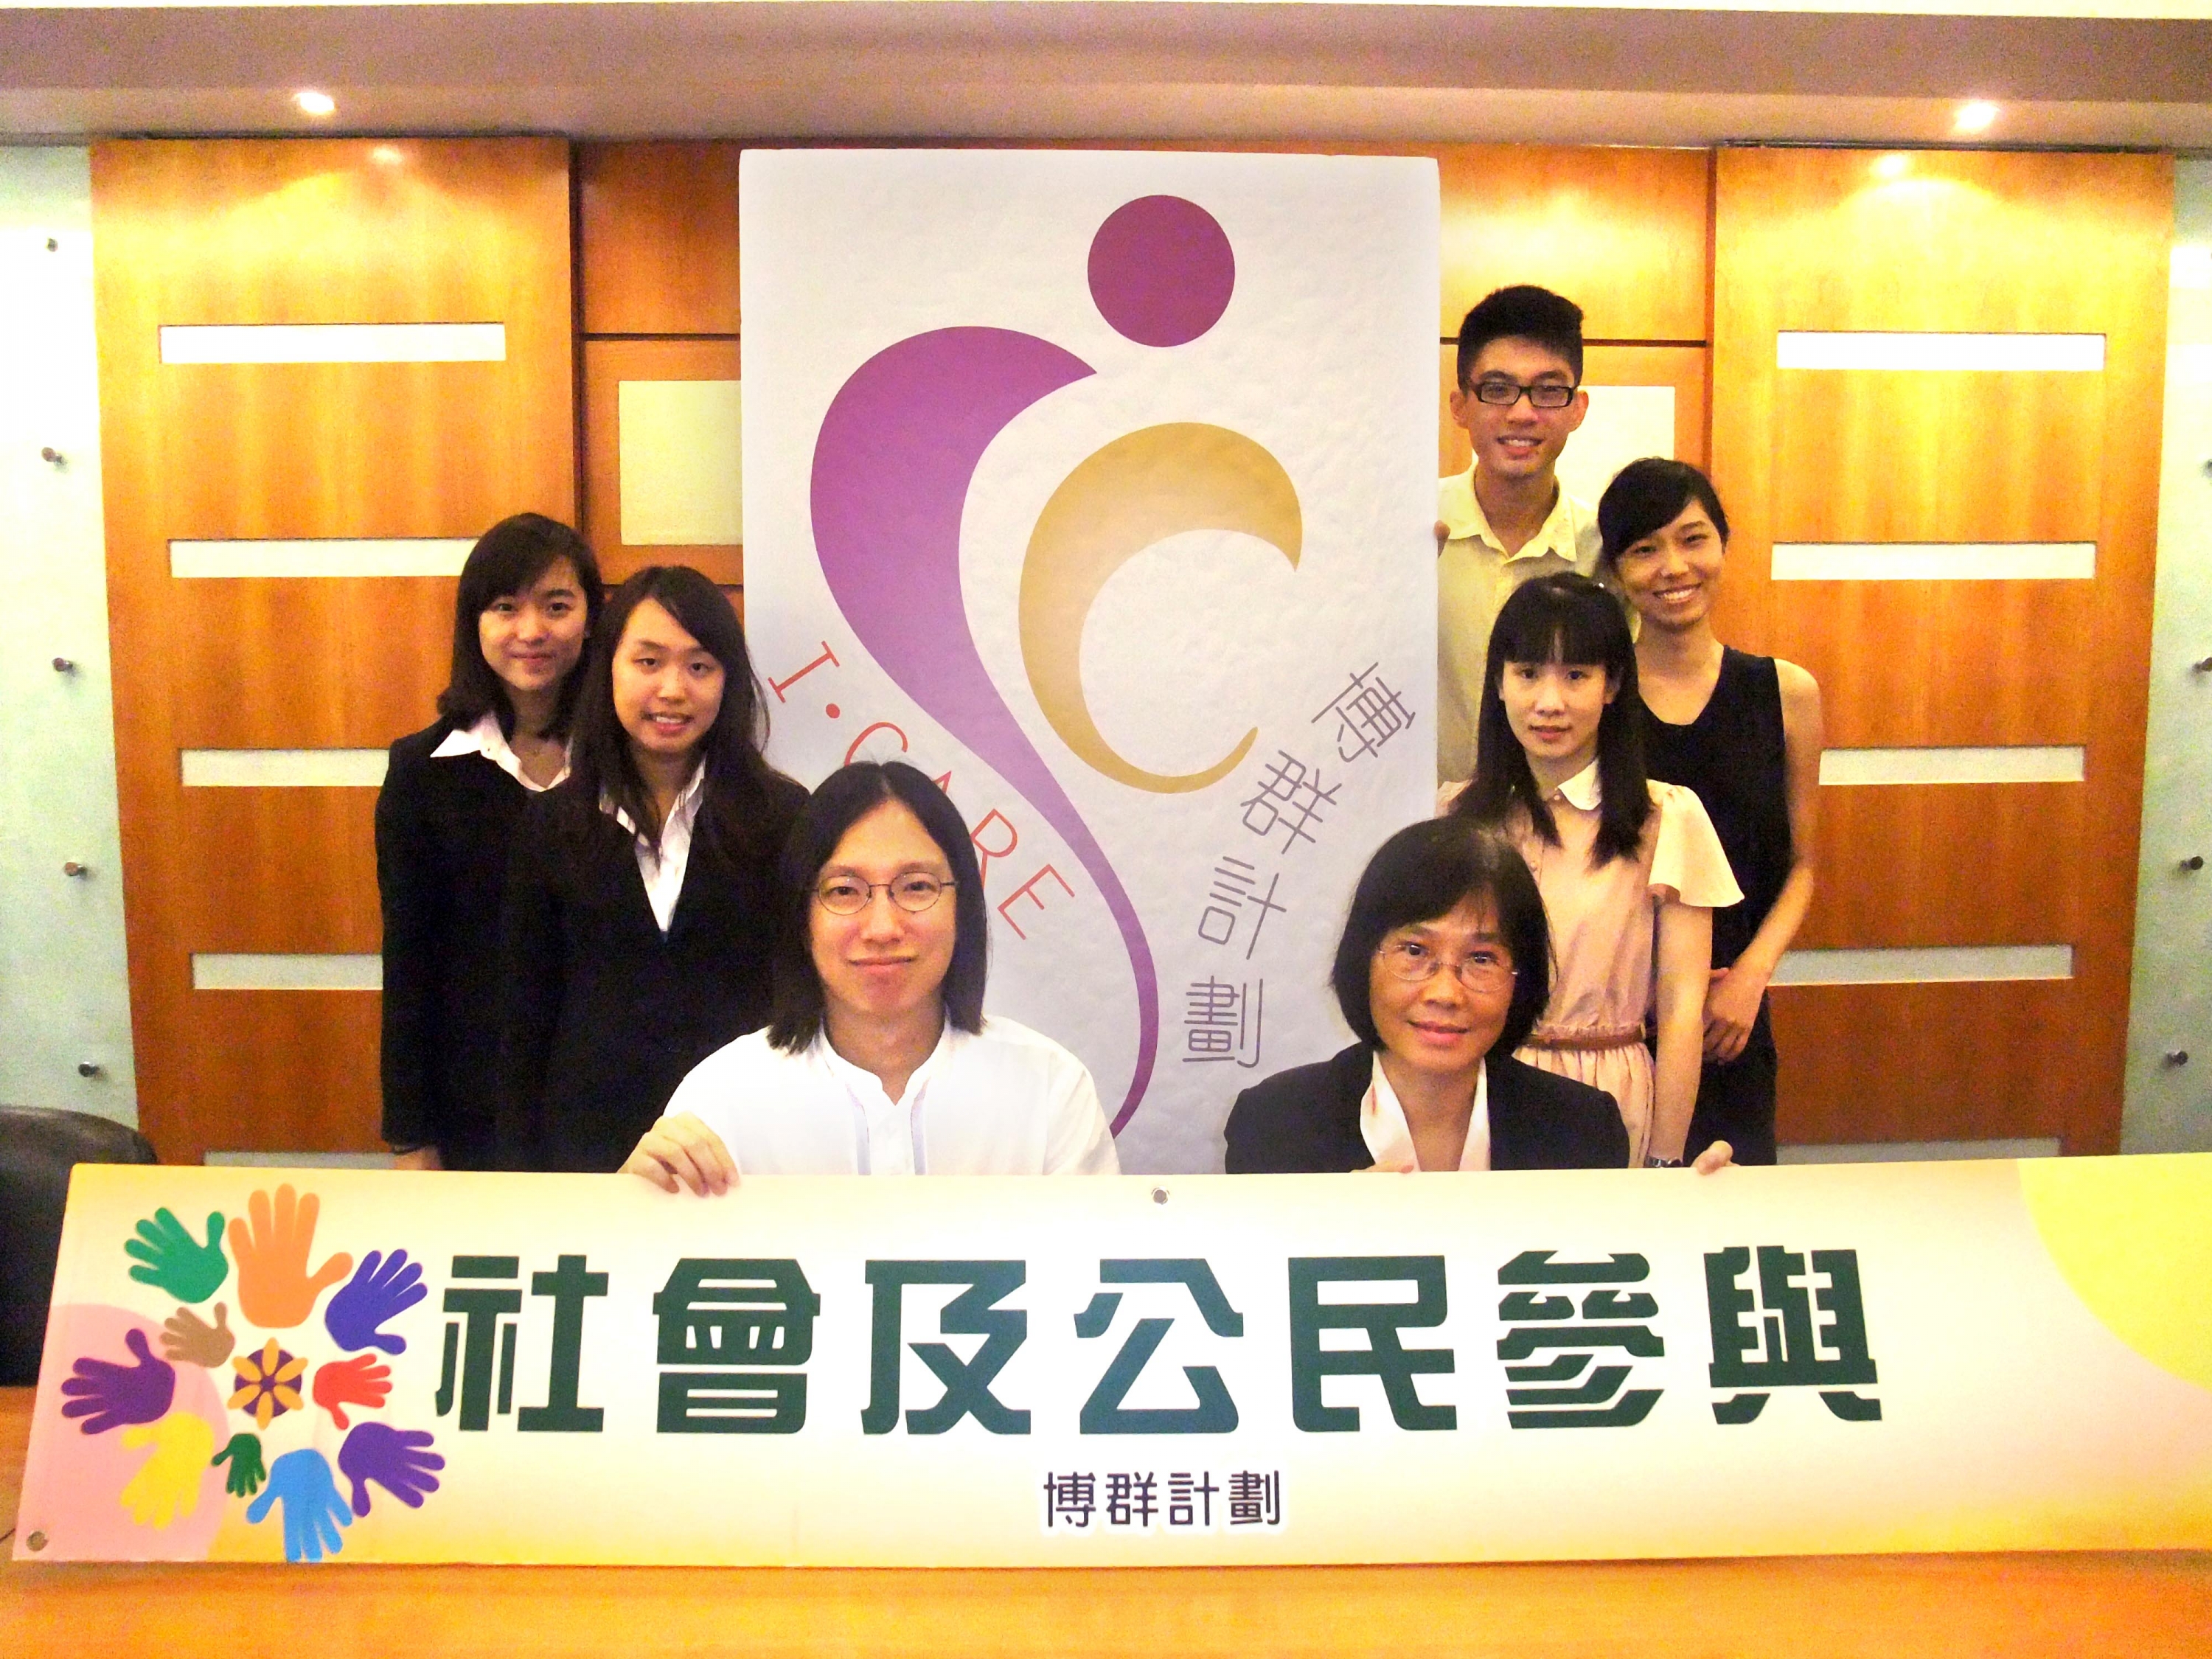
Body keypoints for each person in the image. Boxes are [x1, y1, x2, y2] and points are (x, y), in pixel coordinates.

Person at [619, 762, 1119, 1190]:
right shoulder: (723, 1098)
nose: (882, 927)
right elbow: (649, 1281)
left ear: (962, 908)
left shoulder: (1048, 1091)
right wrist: (625, 1207)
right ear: (802, 914)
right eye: (844, 891)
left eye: (916, 886)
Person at [496, 566, 806, 1172]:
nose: (672, 690)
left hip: (744, 1150)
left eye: (699, 666)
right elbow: (523, 1019)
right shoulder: (550, 824)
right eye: (648, 662)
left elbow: (802, 1001)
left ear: (729, 682)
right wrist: (521, 1184)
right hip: (587, 1155)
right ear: (608, 668)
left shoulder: (784, 818)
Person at [1447, 573, 1741, 1167]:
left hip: (1608, 1090)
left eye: (1576, 676)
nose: (1548, 702)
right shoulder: (1454, 814)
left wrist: (1665, 1158)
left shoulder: (1665, 818)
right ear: (1499, 684)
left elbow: (1683, 1004)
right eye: (1528, 674)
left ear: (1612, 687)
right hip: (1473, 1090)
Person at [1601, 459, 1823, 1166]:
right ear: (1617, 572)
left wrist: (1753, 976)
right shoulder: (1594, 699)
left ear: (1724, 547)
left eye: (1693, 539)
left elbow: (1804, 866)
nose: (1674, 567)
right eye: (1645, 549)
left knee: (1729, 1221)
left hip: (1734, 1020)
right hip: (1614, 1024)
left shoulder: (1786, 692)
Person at [375, 512, 603, 1172]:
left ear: (590, 620)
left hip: (608, 1098)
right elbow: (409, 961)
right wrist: (410, 1138)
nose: (531, 631)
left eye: (556, 606)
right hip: (474, 1101)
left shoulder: (629, 765)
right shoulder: (423, 771)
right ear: (474, 624)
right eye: (506, 607)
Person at [1223, 819, 1640, 1173]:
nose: (1445, 993)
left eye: (1481, 958)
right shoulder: (1273, 1125)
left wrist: (1700, 1195)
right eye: (1415, 952)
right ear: (1364, 959)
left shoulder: (1582, 1129)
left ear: (1520, 978)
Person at [1436, 284, 1601, 786]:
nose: (1523, 413)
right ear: (1460, 405)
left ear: (1578, 408)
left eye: (1549, 390)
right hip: (1418, 832)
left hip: (1561, 834)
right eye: (1498, 388)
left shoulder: (1605, 548)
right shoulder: (1407, 530)